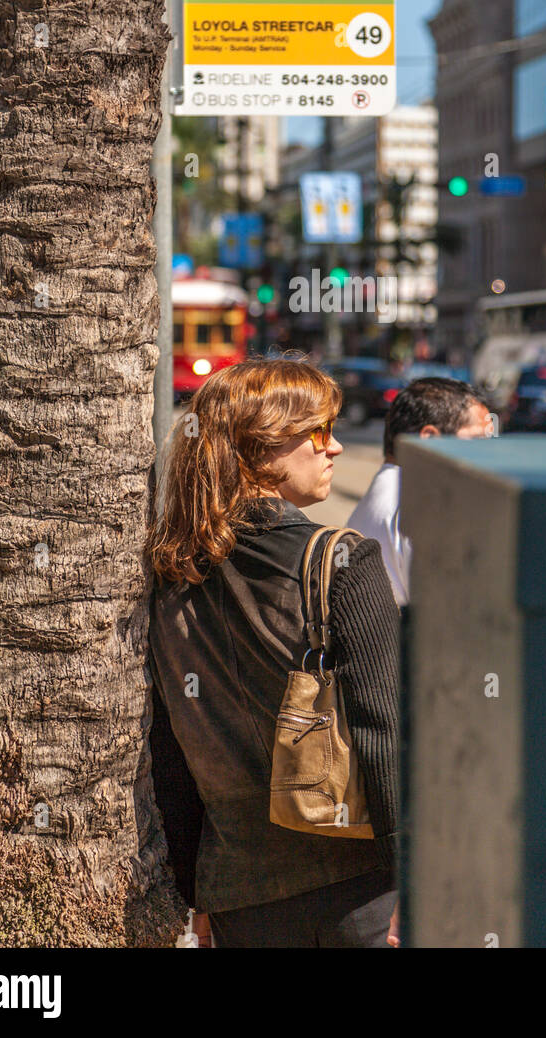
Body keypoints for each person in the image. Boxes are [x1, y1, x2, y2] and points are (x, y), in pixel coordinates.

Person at [146, 357, 400, 949]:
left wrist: (195, 894)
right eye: (318, 433)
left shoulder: (170, 577)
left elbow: (170, 753)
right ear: (261, 451)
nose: (334, 448)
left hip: (238, 894)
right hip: (355, 887)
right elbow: (382, 734)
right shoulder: (343, 562)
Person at [348, 377, 494, 606]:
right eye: (477, 440)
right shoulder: (426, 506)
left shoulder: (385, 495)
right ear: (429, 439)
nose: (489, 453)